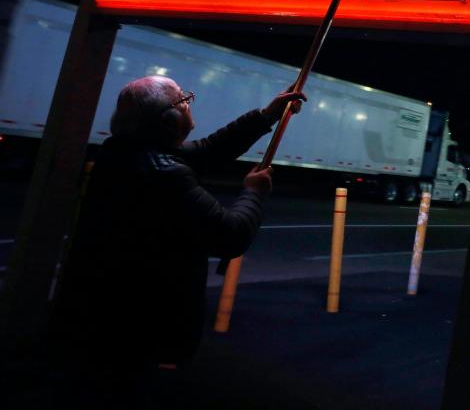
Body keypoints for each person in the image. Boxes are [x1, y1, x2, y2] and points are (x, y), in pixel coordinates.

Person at [51, 75, 305, 397]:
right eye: (183, 99)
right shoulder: (165, 174)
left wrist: (267, 115)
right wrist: (253, 193)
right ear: (167, 119)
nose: (188, 102)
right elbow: (230, 236)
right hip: (139, 330)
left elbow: (209, 150)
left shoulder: (124, 151)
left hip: (103, 319)